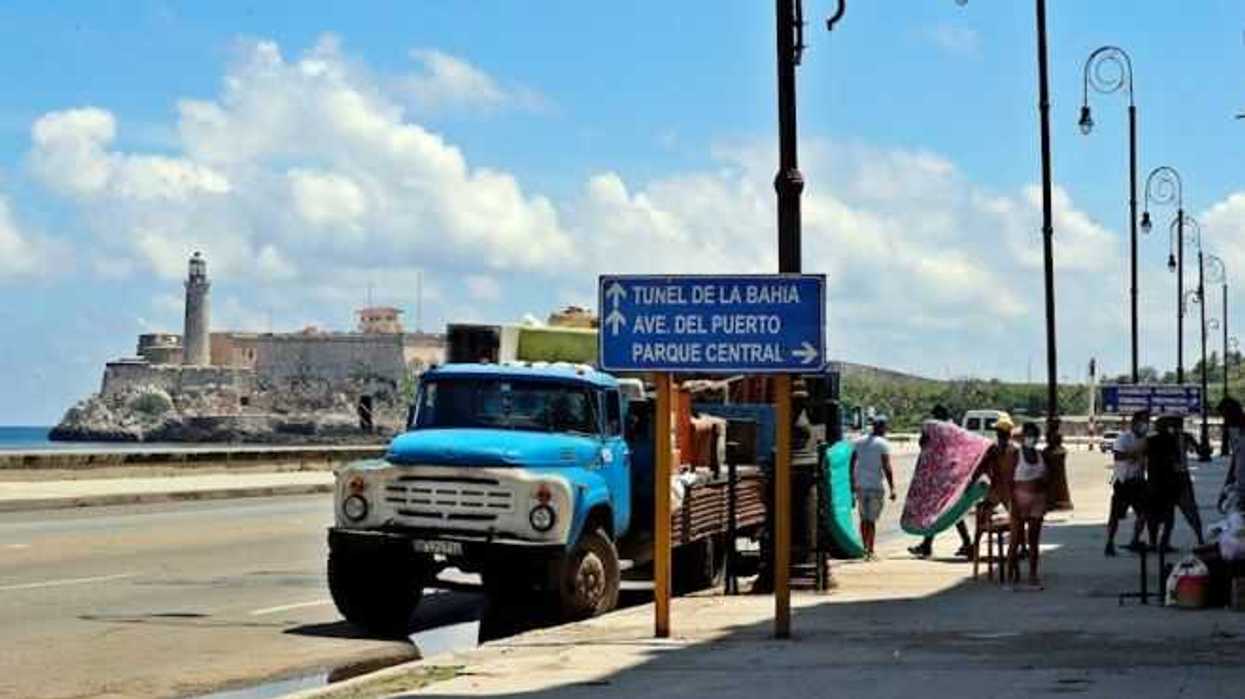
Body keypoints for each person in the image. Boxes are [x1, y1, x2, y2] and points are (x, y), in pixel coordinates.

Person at [908, 404, 974, 559]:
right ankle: (965, 543)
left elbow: (923, 444)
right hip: (951, 471)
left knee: (939, 509)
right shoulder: (954, 428)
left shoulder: (937, 428)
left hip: (940, 473)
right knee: (949, 509)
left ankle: (928, 545)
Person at [971, 414, 1018, 557]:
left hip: (1004, 490)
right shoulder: (1000, 450)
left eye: (999, 432)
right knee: (982, 514)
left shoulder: (1009, 450)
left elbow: (981, 467)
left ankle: (1017, 547)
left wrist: (972, 480)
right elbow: (982, 467)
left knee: (1016, 519)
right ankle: (976, 546)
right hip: (1001, 490)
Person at [851, 415, 897, 560]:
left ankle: (865, 548)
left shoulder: (858, 442)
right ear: (882, 427)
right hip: (875, 486)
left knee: (863, 519)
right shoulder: (882, 443)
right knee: (871, 520)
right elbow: (886, 466)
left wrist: (851, 482)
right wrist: (892, 488)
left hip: (860, 486)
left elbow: (851, 463)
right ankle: (870, 550)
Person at [1008, 421, 1048, 587]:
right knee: (1016, 538)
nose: (1031, 438)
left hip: (1038, 498)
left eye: (1034, 436)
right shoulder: (1016, 455)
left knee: (1033, 539)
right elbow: (1009, 481)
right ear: (1023, 437)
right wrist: (1012, 502)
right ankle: (1012, 571)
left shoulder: (1040, 456)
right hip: (1020, 497)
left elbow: (1047, 477)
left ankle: (1032, 573)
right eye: (1028, 435)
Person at [1105, 411, 1149, 556]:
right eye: (1142, 421)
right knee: (1116, 515)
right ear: (1134, 423)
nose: (1145, 425)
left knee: (1143, 514)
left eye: (1147, 422)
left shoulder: (1144, 440)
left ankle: (1134, 540)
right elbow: (1117, 455)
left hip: (1138, 482)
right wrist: (1134, 455)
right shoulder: (1123, 438)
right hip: (1123, 482)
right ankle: (1110, 542)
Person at [1144, 415, 1183, 553]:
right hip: (1168, 482)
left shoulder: (1150, 441)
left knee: (1152, 516)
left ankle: (1153, 542)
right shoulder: (1173, 440)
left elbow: (1144, 459)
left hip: (1154, 482)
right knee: (1168, 516)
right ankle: (1164, 542)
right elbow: (1178, 461)